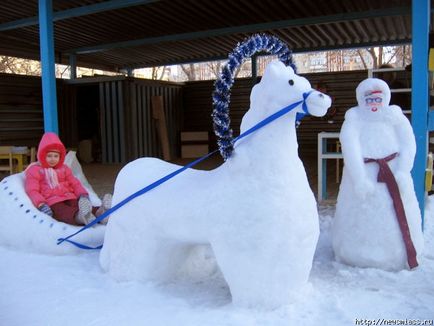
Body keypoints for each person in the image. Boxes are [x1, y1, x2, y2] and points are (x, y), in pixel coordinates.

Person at [25, 132, 112, 226]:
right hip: (53, 201)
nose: (52, 159)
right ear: (42, 156)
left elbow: (75, 183)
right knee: (64, 212)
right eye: (49, 156)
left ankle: (100, 212)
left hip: (69, 196)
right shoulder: (35, 170)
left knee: (80, 206)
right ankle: (81, 217)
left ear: (60, 156)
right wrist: (41, 204)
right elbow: (32, 190)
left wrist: (82, 194)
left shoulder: (64, 168)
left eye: (56, 156)